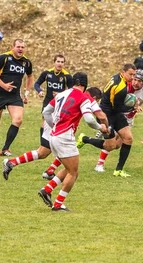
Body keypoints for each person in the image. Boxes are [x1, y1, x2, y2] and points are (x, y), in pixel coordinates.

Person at [36, 72, 109, 212]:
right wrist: (101, 127)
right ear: (85, 84)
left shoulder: (62, 94)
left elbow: (46, 112)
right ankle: (58, 204)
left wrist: (54, 126)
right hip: (65, 137)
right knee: (74, 173)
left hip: (54, 136)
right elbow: (89, 119)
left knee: (68, 168)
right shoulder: (83, 97)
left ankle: (47, 189)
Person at [2, 87, 107, 181]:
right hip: (57, 122)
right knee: (48, 151)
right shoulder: (85, 97)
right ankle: (14, 163)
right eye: (97, 100)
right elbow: (98, 115)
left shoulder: (70, 92)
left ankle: (45, 170)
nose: (96, 102)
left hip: (56, 120)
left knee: (48, 152)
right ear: (94, 97)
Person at [80, 69, 143, 173]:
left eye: (139, 81)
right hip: (115, 114)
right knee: (111, 143)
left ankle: (85, 139)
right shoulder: (124, 86)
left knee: (118, 145)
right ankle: (100, 164)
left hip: (129, 119)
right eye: (135, 79)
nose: (136, 83)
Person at [34, 54, 73, 147]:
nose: (60, 64)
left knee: (59, 121)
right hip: (48, 101)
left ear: (64, 64)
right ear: (54, 62)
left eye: (62, 62)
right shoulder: (47, 73)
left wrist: (61, 95)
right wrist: (39, 91)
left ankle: (57, 142)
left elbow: (71, 91)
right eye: (58, 61)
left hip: (60, 103)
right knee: (44, 120)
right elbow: (37, 83)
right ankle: (43, 144)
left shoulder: (67, 76)